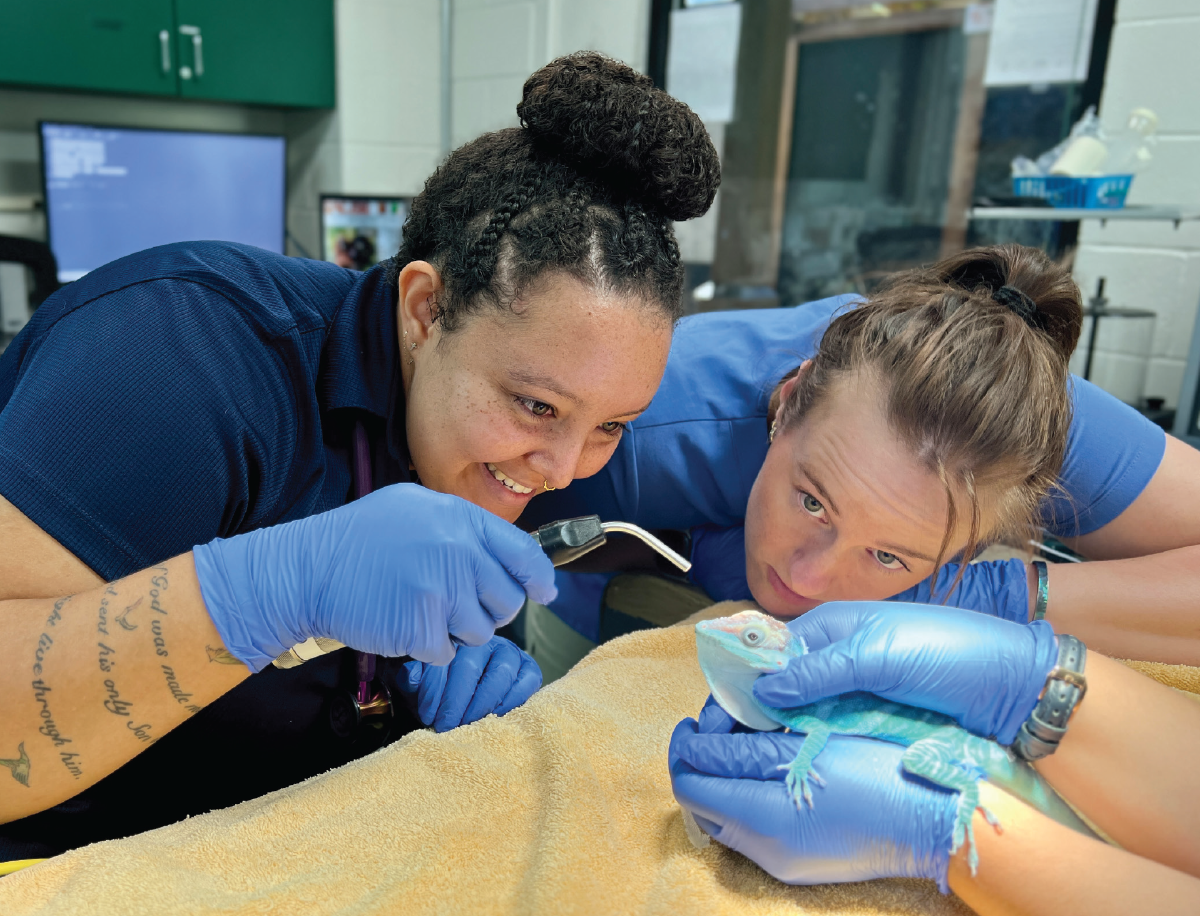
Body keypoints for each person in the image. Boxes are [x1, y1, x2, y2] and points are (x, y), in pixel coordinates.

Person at [0, 52, 720, 856]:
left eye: (610, 425)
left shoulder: (507, 437)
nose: (558, 466)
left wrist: (431, 695)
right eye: (537, 405)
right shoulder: (177, 356)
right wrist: (263, 593)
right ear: (425, 309)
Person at [528, 245, 1200, 666]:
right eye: (813, 501)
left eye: (891, 554)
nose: (811, 578)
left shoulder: (1026, 428)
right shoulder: (638, 427)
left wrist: (988, 597)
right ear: (789, 401)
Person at [668, 601, 1200, 913]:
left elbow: (813, 738)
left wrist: (936, 827)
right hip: (989, 743)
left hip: (954, 755)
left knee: (925, 762)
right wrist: (1034, 679)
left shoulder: (804, 708)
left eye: (755, 635)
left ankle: (969, 792)